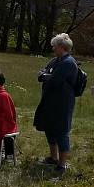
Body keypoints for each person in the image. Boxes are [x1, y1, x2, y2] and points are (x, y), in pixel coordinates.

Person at [34, 33, 79, 175]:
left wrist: (45, 76)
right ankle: (53, 157)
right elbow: (43, 73)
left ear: (61, 47)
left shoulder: (68, 63)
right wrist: (45, 75)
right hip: (50, 101)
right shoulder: (55, 60)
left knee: (61, 132)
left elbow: (54, 80)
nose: (53, 48)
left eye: (54, 46)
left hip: (62, 103)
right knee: (50, 129)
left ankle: (62, 164)